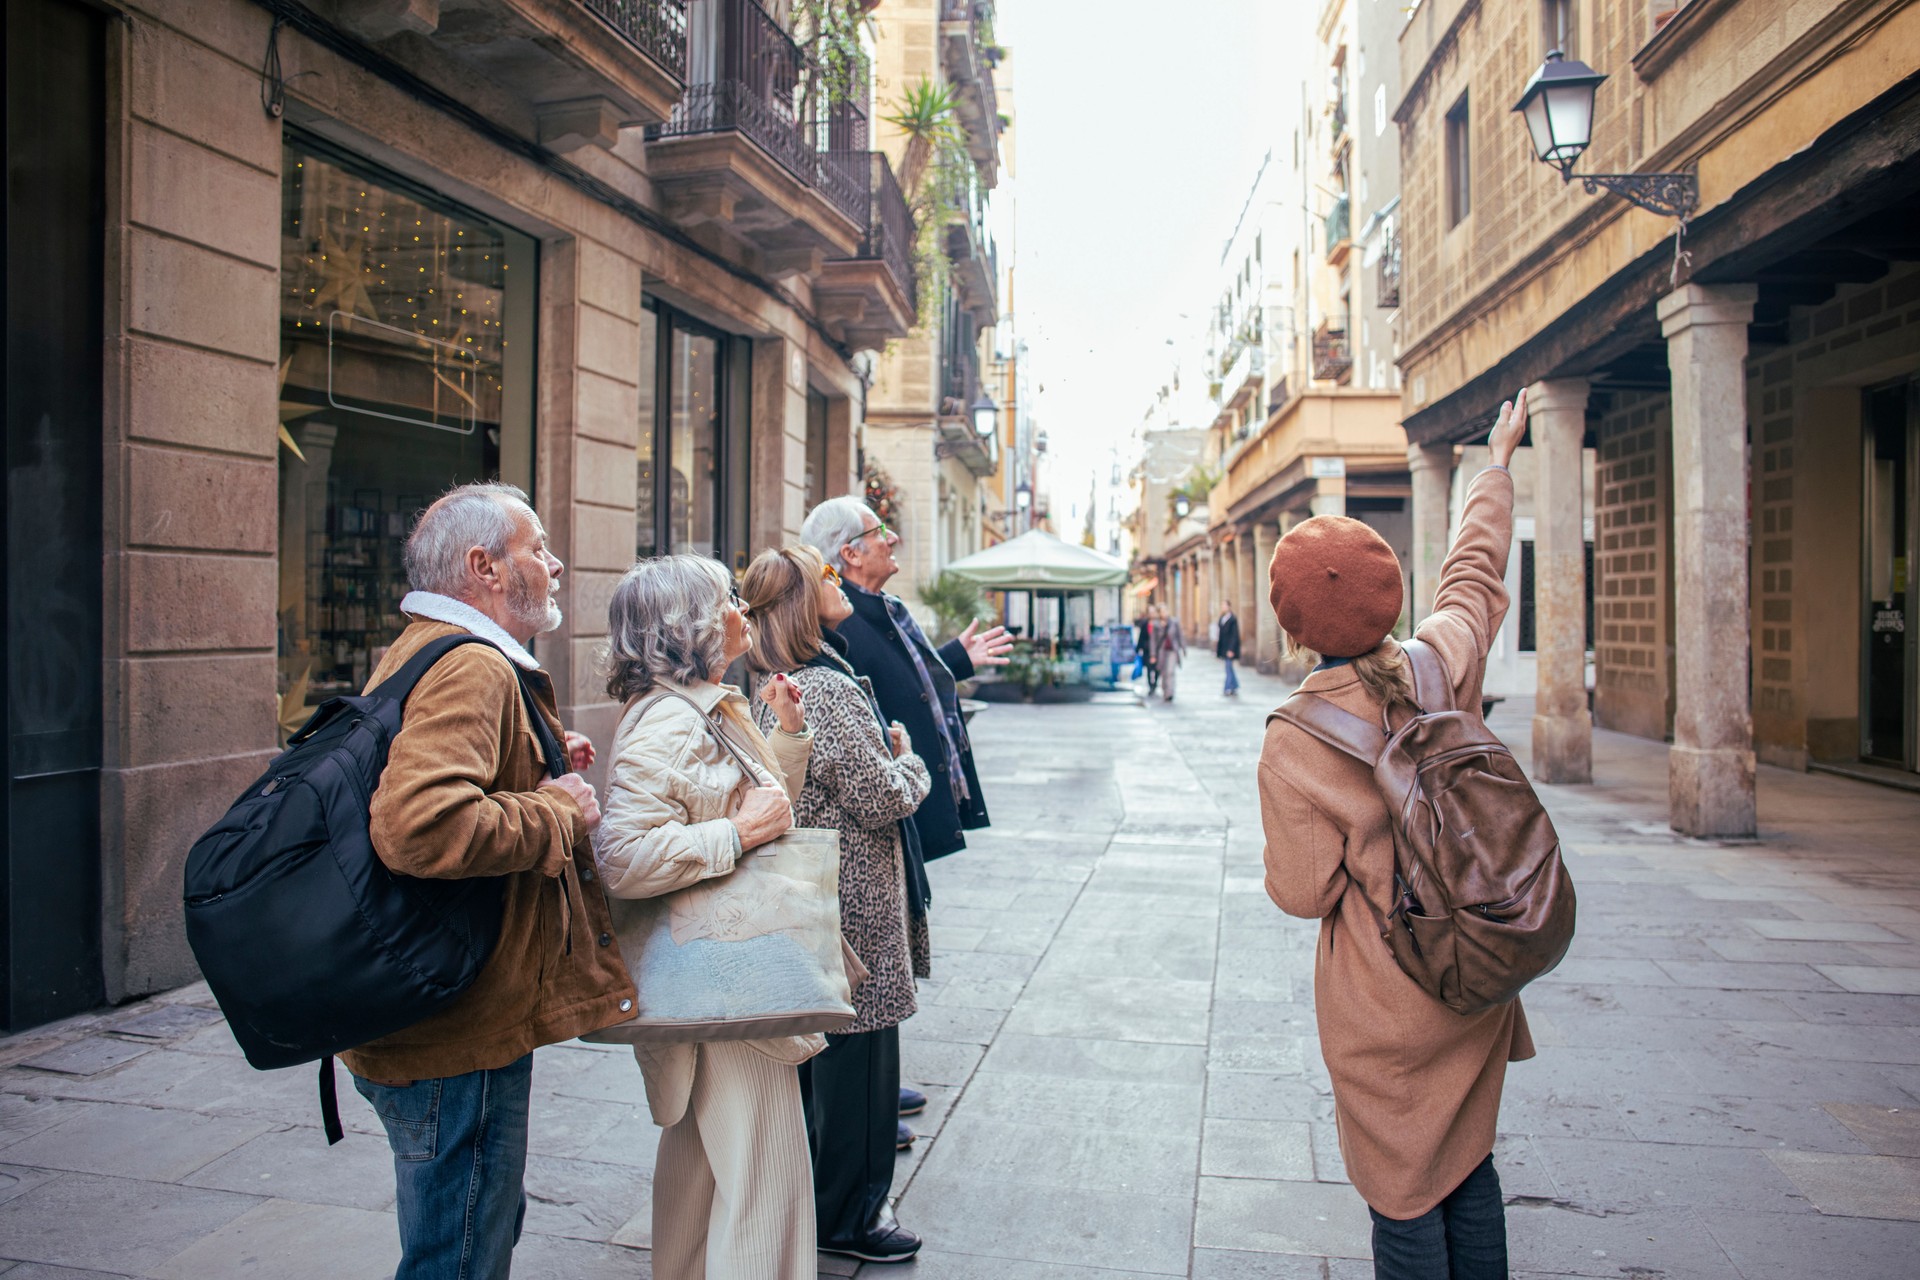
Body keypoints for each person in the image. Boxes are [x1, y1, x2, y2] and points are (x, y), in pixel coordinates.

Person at [1260, 389, 1533, 1280]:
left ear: (1292, 623)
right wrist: (1495, 466)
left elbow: (1303, 894)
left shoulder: (1295, 738)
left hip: (1384, 999)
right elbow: (1474, 574)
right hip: (1475, 970)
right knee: (1468, 1164)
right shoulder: (1436, 660)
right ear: (1389, 594)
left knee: (1403, 1190)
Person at [344, 482, 635, 1280]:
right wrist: (553, 813)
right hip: (455, 1029)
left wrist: (534, 758)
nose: (554, 562)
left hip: (431, 1016)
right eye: (535, 547)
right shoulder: (472, 665)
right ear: (483, 567)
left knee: (465, 1231)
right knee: (460, 1254)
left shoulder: (432, 644)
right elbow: (418, 824)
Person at [592, 555, 819, 1280]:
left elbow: (762, 809)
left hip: (722, 966)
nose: (741, 609)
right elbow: (622, 857)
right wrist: (737, 836)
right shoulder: (670, 719)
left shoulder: (707, 705)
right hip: (725, 973)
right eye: (725, 598)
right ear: (690, 624)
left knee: (703, 1173)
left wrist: (786, 737)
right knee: (764, 1184)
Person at [799, 496, 1012, 1147]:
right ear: (847, 555)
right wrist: (905, 773)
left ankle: (876, 1086)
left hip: (896, 802)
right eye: (877, 532)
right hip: (871, 813)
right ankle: (860, 1107)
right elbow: (875, 707)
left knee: (889, 956)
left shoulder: (884, 610)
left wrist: (955, 658)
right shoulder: (842, 625)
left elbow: (907, 681)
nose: (893, 540)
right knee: (868, 964)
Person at [742, 545, 933, 1264]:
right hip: (847, 901)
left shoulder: (805, 678)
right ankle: (848, 1217)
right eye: (825, 575)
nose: (837, 580)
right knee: (857, 1070)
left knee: (839, 1066)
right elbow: (879, 794)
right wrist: (909, 759)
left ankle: (833, 1207)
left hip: (831, 895)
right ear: (800, 601)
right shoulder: (820, 686)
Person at [1153, 605, 1186, 702]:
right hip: (1161, 651)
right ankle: (1165, 690)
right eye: (1162, 612)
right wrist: (1153, 654)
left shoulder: (1174, 623)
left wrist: (1183, 648)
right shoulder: (1157, 624)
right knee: (1164, 672)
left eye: (1166, 611)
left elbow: (1180, 636)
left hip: (1172, 650)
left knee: (1170, 672)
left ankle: (1170, 693)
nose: (1164, 614)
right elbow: (1153, 641)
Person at [1217, 600, 1242, 697]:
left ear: (1229, 606)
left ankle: (1227, 688)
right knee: (1229, 668)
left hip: (1229, 648)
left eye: (1224, 605)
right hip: (1223, 647)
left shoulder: (1232, 619)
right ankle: (1235, 685)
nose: (1223, 607)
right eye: (1222, 605)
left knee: (1228, 667)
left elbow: (1234, 635)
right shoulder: (1222, 618)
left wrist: (1231, 649)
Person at [1136, 607, 1159, 695]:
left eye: (1153, 612)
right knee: (1149, 669)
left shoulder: (1158, 623)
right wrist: (1138, 648)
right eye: (1150, 612)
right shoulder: (1145, 623)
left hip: (1157, 650)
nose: (1152, 614)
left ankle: (1155, 684)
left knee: (1157, 669)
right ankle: (1150, 686)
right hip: (1147, 650)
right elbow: (1141, 636)